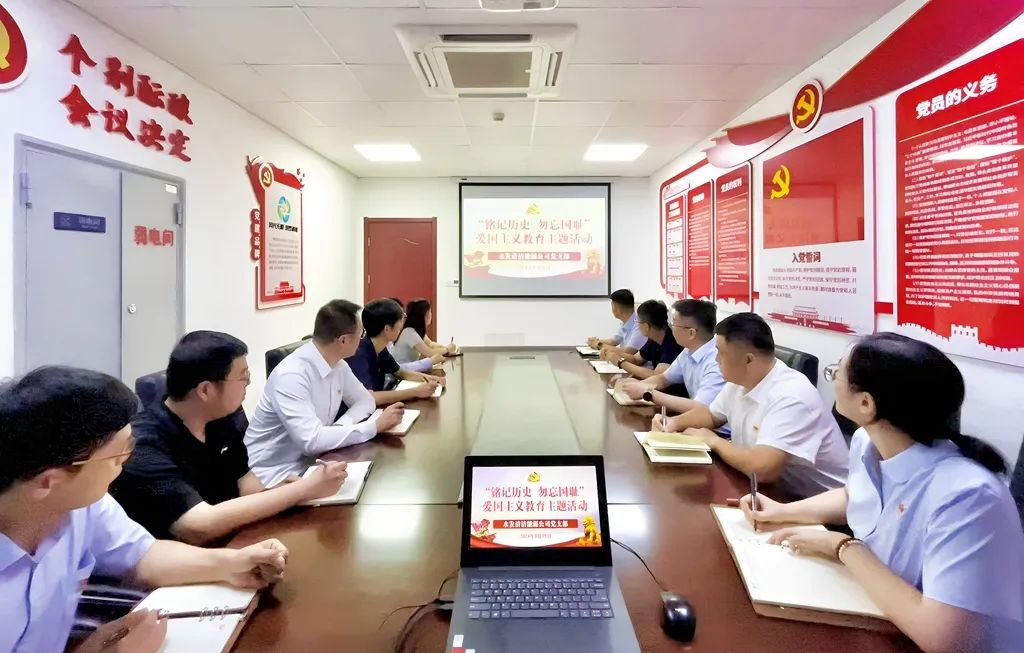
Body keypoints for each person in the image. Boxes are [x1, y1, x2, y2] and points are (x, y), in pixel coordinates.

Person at [741, 333, 1023, 652]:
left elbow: (943, 638)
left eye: (837, 373)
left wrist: (843, 546)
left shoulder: (969, 496)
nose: (832, 380)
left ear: (866, 404)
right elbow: (856, 496)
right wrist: (782, 511)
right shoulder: (867, 441)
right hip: (879, 613)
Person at [0, 366, 289, 653]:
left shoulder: (80, 504)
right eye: (119, 455)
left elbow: (140, 555)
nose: (127, 463)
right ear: (48, 482)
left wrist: (230, 563)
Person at [111, 331, 348, 544]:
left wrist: (281, 490)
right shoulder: (143, 445)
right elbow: (197, 527)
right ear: (205, 390)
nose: (249, 383)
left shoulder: (224, 416)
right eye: (243, 377)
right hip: (177, 563)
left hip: (233, 540)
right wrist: (304, 489)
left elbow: (244, 483)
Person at [655, 312, 847, 499]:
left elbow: (762, 469)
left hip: (818, 504)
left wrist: (713, 441)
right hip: (768, 492)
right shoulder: (740, 380)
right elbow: (711, 415)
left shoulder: (791, 395)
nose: (716, 360)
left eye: (720, 353)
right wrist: (673, 423)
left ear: (748, 360)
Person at [245, 300, 405, 488]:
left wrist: (339, 426)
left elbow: (365, 401)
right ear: (343, 340)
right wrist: (374, 427)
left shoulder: (338, 364)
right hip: (271, 476)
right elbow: (312, 441)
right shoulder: (291, 375)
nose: (363, 339)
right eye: (361, 334)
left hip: (317, 461)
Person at [622, 299, 725, 413]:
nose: (670, 328)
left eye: (674, 324)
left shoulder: (716, 362)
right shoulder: (688, 351)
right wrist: (638, 386)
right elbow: (664, 379)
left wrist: (648, 393)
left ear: (691, 333)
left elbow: (700, 408)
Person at [346, 298, 445, 406]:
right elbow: (370, 397)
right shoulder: (359, 353)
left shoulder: (380, 349)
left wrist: (432, 379)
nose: (402, 325)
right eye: (400, 320)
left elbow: (400, 372)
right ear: (387, 329)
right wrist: (416, 392)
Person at [608, 300, 682, 380]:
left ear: (646, 327)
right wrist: (614, 354)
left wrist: (621, 363)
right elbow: (636, 360)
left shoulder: (672, 344)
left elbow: (657, 376)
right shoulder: (654, 339)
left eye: (637, 322)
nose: (637, 325)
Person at [387, 298, 445, 375]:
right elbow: (430, 353)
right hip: (401, 375)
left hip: (407, 371)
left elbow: (430, 344)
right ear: (424, 315)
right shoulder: (409, 332)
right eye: (430, 311)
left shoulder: (416, 331)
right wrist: (447, 349)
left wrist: (443, 348)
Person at [587, 289, 645, 357]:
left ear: (617, 309)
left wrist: (599, 345)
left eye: (612, 306)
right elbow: (614, 341)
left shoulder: (639, 325)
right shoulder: (626, 322)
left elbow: (628, 352)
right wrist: (595, 341)